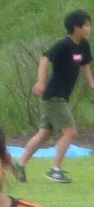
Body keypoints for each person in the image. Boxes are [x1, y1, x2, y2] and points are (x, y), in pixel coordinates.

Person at [14, 10, 94, 185]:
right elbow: (45, 59)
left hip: (61, 96)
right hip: (54, 96)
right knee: (70, 132)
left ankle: (19, 164)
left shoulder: (83, 46)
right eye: (86, 25)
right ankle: (55, 170)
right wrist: (40, 82)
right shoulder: (63, 45)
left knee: (44, 134)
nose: (89, 28)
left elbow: (85, 64)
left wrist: (91, 82)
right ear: (76, 28)